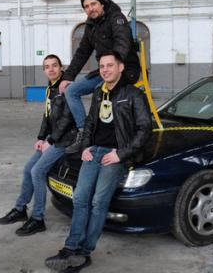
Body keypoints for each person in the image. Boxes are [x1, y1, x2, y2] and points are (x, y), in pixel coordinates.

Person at [45, 53, 151, 272]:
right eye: (102, 66)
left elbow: (144, 129)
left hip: (114, 154)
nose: (105, 70)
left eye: (109, 65)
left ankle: (85, 252)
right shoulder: (97, 93)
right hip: (94, 152)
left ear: (121, 67)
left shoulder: (133, 94)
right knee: (80, 198)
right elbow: (91, 123)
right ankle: (70, 247)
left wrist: (121, 154)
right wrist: (85, 147)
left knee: (98, 202)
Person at [0, 54, 78, 236]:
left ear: (61, 67)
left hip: (66, 139)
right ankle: (20, 209)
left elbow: (68, 119)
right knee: (28, 169)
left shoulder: (67, 88)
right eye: (47, 66)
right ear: (44, 70)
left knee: (37, 171)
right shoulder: (50, 88)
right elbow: (47, 116)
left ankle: (38, 218)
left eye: (54, 65)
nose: (51, 69)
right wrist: (41, 137)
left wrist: (50, 140)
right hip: (52, 137)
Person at [61, 0, 141, 154]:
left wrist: (112, 66)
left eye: (93, 4)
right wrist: (67, 76)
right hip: (103, 71)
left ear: (102, 3)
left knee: (99, 92)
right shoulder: (90, 26)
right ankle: (84, 133)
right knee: (71, 91)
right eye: (86, 6)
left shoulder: (116, 18)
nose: (91, 8)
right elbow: (82, 52)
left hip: (125, 69)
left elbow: (123, 43)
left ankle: (110, 136)